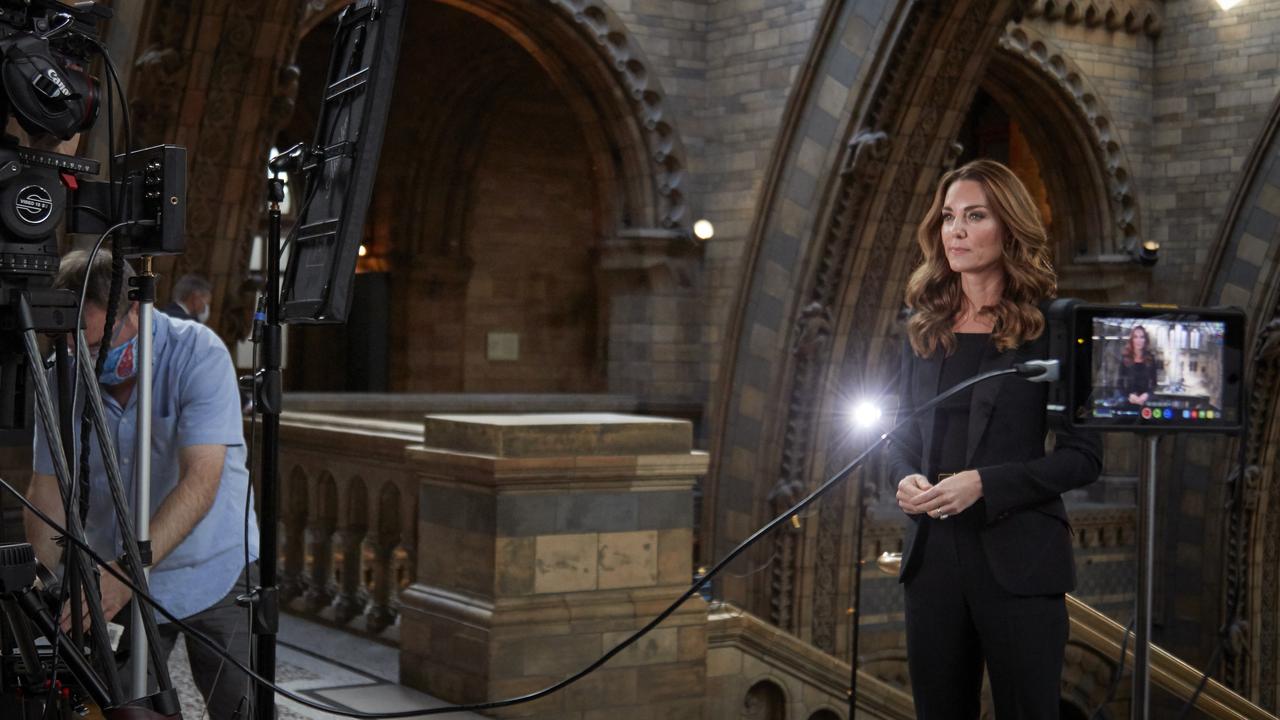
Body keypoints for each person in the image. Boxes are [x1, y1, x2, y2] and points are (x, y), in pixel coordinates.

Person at [888, 159, 1102, 719]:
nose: (954, 230)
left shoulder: (1054, 326)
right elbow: (900, 431)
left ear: (1008, 227)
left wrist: (984, 483)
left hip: (1021, 558)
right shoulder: (922, 323)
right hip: (931, 558)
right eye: (948, 217)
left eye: (974, 216)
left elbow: (1083, 458)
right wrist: (903, 477)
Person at [25, 250, 258, 718]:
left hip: (211, 567)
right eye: (72, 344)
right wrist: (49, 582)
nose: (82, 357)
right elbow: (45, 489)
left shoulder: (199, 355)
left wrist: (127, 573)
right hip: (118, 579)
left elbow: (201, 482)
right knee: (131, 709)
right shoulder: (62, 376)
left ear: (134, 309)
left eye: (94, 345)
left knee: (240, 708)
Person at [1118, 324, 1158, 406]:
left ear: (1145, 340)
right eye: (1135, 337)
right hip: (1128, 402)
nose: (1138, 340)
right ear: (1132, 340)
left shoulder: (1150, 358)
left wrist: (1147, 395)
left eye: (1142, 337)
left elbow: (1154, 384)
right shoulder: (1125, 359)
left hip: (1145, 403)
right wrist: (1129, 396)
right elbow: (1119, 384)